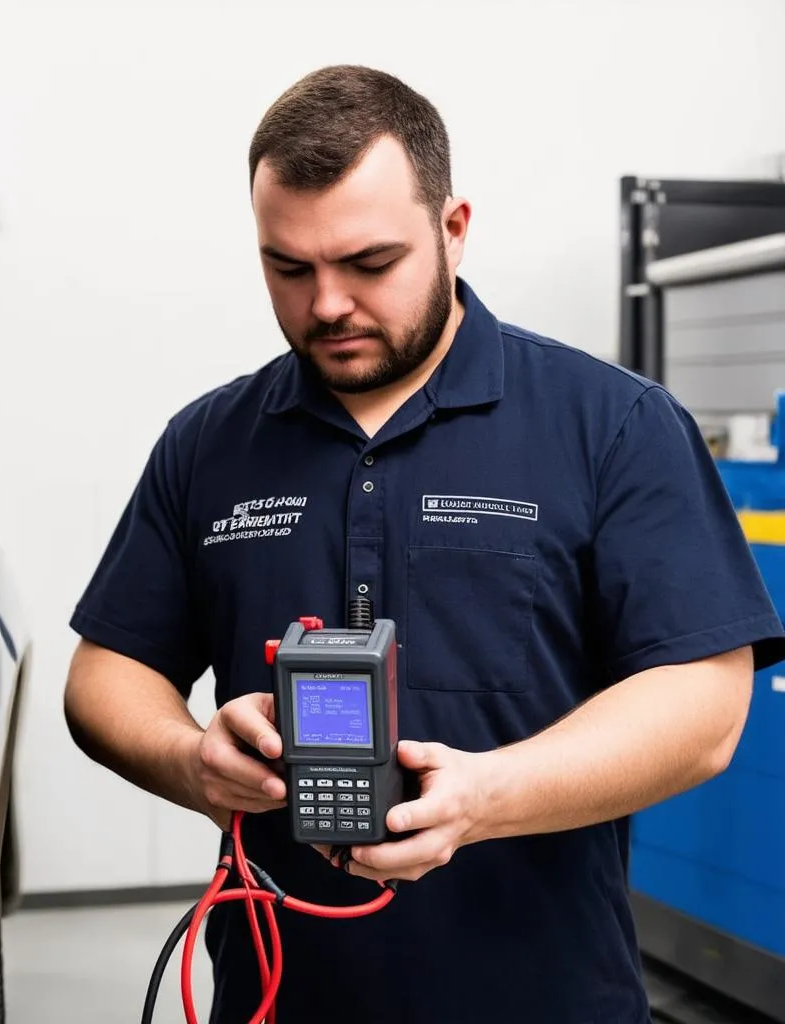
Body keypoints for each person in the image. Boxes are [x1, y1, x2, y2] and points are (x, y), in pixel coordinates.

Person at [63, 65, 785, 1023]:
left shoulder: (610, 424)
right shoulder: (209, 444)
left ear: (452, 229)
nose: (326, 305)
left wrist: (489, 795)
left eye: (368, 264)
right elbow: (104, 675)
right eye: (289, 267)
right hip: (280, 996)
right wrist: (189, 758)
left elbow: (704, 703)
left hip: (544, 996)